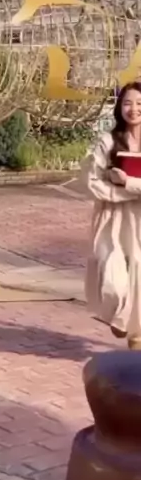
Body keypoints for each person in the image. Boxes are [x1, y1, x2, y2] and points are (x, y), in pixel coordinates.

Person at [84, 81, 141, 349]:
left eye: (139, 103)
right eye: (128, 103)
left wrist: (128, 182)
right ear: (119, 107)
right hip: (114, 219)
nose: (134, 109)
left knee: (139, 272)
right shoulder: (107, 141)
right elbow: (91, 181)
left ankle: (136, 336)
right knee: (113, 275)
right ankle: (118, 316)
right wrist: (120, 190)